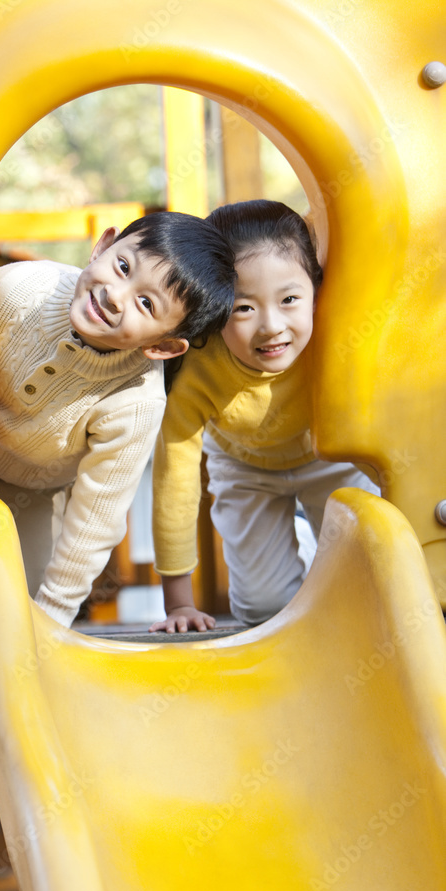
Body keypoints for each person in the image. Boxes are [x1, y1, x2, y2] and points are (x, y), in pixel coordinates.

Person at [0, 211, 235, 631]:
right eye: (123, 267)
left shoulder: (136, 402)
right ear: (103, 247)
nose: (115, 296)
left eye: (146, 304)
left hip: (22, 491)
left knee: (17, 615)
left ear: (162, 347)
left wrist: (50, 621)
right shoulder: (21, 290)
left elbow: (95, 521)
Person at [150, 199, 379, 634]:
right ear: (216, 307)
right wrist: (178, 603)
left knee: (374, 584)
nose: (272, 326)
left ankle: (311, 546)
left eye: (290, 299)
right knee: (263, 609)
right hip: (245, 466)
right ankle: (300, 546)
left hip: (330, 458)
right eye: (243, 308)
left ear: (317, 288)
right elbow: (174, 479)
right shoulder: (196, 367)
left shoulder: (341, 332)